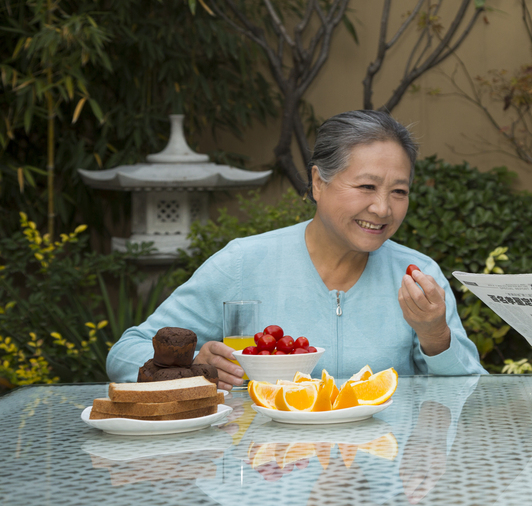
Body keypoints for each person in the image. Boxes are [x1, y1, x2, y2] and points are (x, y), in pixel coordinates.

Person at [107, 110, 486, 388]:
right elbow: (126, 352)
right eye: (367, 187)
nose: (383, 209)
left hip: (381, 473)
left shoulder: (417, 276)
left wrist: (435, 334)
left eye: (399, 192)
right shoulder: (243, 263)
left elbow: (470, 393)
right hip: (268, 476)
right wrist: (192, 366)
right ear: (318, 183)